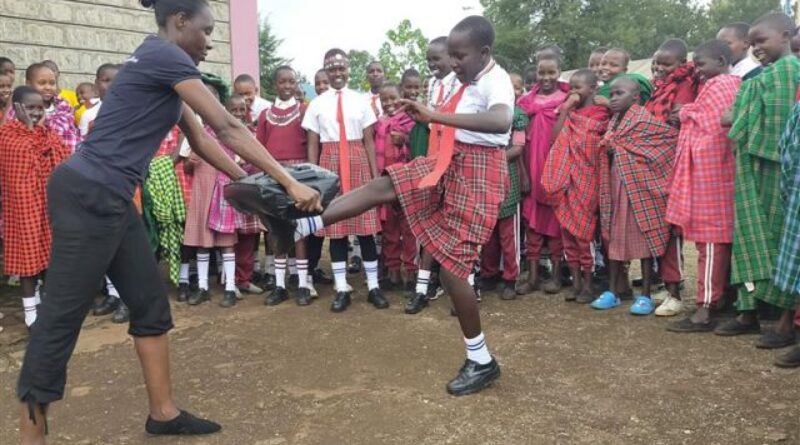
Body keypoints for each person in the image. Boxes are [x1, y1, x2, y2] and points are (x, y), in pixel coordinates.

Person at [16, 1, 321, 442]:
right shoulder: (164, 56)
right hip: (89, 194)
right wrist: (287, 182)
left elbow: (200, 137)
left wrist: (251, 184)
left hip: (113, 198)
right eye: (207, 30)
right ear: (179, 22)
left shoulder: (161, 68)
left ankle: (163, 413)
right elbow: (227, 127)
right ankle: (31, 438)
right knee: (60, 318)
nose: (211, 41)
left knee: (149, 304)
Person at [292, 15, 512, 395]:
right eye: (450, 56)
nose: (454, 63)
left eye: (459, 57)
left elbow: (500, 120)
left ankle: (481, 360)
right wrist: (419, 114)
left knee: (452, 268)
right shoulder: (458, 80)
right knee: (386, 183)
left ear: (484, 52)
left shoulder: (497, 80)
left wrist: (435, 116)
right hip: (449, 159)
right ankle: (304, 224)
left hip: (479, 171)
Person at [714, 13, 799, 350]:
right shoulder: (760, 76)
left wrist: (740, 114)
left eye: (761, 40)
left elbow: (772, 122)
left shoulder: (789, 72)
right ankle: (747, 310)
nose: (755, 49)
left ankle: (781, 319)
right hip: (751, 169)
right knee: (749, 242)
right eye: (751, 44)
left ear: (786, 35)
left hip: (779, 170)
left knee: (779, 245)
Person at [301, 49, 386, 313]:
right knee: (336, 230)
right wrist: (316, 179)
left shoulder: (362, 101)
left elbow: (369, 141)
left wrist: (374, 178)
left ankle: (373, 287)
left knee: (365, 230)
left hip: (358, 160)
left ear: (349, 70)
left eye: (342, 68)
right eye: (332, 69)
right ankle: (341, 288)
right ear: (326, 71)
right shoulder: (316, 104)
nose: (337, 73)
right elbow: (312, 144)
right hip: (330, 164)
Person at [665, 40, 741, 332]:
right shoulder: (722, 84)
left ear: (721, 60)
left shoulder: (722, 84)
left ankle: (704, 309)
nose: (697, 70)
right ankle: (715, 301)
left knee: (710, 245)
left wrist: (686, 113)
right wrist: (691, 111)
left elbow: (713, 127)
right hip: (718, 178)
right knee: (714, 244)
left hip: (713, 177)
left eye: (701, 64)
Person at [591, 78, 678, 315]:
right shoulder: (615, 122)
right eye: (613, 93)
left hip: (640, 191)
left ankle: (646, 294)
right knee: (614, 239)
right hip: (617, 189)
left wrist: (616, 148)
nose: (614, 97)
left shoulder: (643, 121)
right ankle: (613, 292)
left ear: (636, 98)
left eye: (620, 93)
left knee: (644, 241)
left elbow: (665, 143)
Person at [0, 87, 70, 328]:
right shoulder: (7, 135)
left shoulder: (49, 133)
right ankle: (31, 314)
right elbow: (26, 162)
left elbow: (61, 158)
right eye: (29, 107)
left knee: (52, 260)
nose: (36, 112)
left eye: (40, 107)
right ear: (17, 109)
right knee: (28, 263)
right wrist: (30, 131)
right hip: (23, 209)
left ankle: (48, 309)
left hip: (50, 206)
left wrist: (37, 131)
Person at [541, 69, 609, 303]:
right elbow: (555, 139)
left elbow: (593, 143)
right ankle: (576, 283)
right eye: (571, 88)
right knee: (567, 236)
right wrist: (565, 110)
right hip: (567, 182)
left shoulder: (602, 113)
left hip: (587, 179)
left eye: (578, 88)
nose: (573, 92)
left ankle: (589, 285)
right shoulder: (570, 114)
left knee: (585, 236)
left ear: (592, 89)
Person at [645, 38, 699, 316]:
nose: (659, 68)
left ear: (680, 64)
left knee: (670, 230)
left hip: (671, 163)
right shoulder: (659, 88)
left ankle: (675, 293)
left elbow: (676, 122)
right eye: (656, 62)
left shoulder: (684, 85)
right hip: (655, 163)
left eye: (666, 64)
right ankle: (669, 286)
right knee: (660, 228)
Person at [257, 66, 313, 305]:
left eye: (292, 81)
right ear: (275, 84)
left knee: (299, 229)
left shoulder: (304, 111)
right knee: (276, 229)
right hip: (273, 175)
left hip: (298, 175)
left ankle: (302, 284)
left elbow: (311, 143)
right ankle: (279, 284)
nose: (287, 86)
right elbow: (259, 148)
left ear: (297, 84)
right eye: (283, 82)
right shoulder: (265, 115)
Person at [516, 56, 569, 295]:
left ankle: (557, 277)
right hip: (531, 168)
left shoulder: (568, 101)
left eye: (551, 72)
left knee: (557, 226)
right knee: (533, 227)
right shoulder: (525, 103)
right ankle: (534, 276)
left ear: (559, 71)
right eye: (541, 73)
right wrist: (523, 175)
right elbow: (519, 140)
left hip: (557, 168)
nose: (546, 78)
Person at [481, 73, 528, 301]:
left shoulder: (517, 116)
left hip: (508, 180)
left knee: (509, 235)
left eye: (516, 87)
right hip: (486, 182)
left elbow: (518, 148)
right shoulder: (485, 114)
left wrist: (493, 160)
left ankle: (511, 277)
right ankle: (489, 274)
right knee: (488, 233)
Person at [377, 80, 416, 291]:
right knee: (389, 228)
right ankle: (393, 270)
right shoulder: (379, 123)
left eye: (393, 98)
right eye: (384, 100)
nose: (389, 103)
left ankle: (411, 271)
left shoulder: (411, 120)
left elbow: (420, 144)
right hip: (385, 181)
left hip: (406, 180)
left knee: (409, 228)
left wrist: (405, 140)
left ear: (401, 97)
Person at [19, 63, 82, 153]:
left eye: (52, 83)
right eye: (42, 83)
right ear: (28, 84)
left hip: (71, 159)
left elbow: (74, 132)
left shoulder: (63, 105)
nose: (48, 87)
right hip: (42, 159)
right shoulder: (22, 108)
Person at [78, 63, 120, 136]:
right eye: (106, 80)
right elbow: (82, 142)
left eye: (117, 81)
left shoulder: (131, 113)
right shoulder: (88, 115)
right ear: (96, 83)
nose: (111, 85)